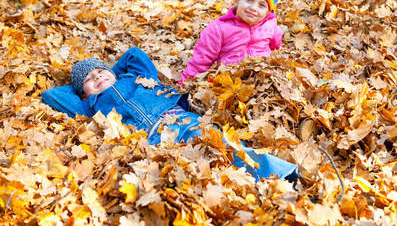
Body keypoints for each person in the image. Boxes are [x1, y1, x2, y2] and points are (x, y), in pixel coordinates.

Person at [42, 47, 298, 181]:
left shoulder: (138, 77)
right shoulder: (90, 107)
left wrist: (116, 73)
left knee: (227, 146)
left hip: (179, 119)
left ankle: (284, 174)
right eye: (89, 79)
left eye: (100, 72)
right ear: (83, 94)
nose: (97, 76)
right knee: (196, 171)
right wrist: (81, 88)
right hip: (150, 142)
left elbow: (133, 54)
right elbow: (52, 95)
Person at [178, 0, 283, 84]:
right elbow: (201, 60)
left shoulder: (271, 27)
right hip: (230, 81)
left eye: (262, 5)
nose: (253, 8)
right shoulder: (219, 28)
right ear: (236, 1)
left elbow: (277, 51)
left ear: (268, 12)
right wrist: (185, 86)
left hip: (261, 81)